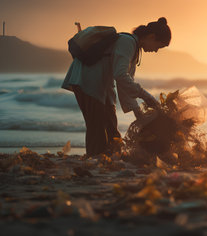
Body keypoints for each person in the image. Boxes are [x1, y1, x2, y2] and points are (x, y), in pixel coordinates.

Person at [62, 17, 171, 157]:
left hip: (103, 86)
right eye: (158, 46)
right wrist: (147, 96)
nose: (156, 51)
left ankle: (109, 159)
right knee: (97, 128)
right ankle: (95, 160)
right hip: (88, 81)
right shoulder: (128, 42)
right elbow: (120, 76)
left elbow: (126, 83)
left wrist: (138, 112)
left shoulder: (135, 49)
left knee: (112, 127)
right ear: (151, 36)